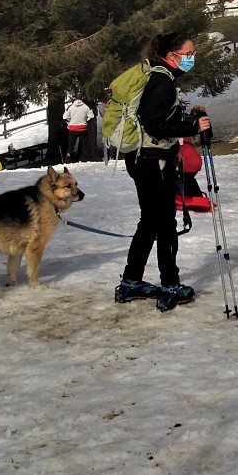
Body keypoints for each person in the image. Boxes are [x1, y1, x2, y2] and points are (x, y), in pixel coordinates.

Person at [116, 32, 210, 308]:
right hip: (151, 160)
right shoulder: (163, 82)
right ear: (172, 56)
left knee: (151, 221)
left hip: (146, 158)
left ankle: (132, 281)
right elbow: (154, 124)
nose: (193, 58)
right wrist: (191, 128)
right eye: (189, 54)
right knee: (164, 222)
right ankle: (170, 283)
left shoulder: (159, 77)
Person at [64, 96, 94, 163]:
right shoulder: (86, 107)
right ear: (82, 98)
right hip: (83, 128)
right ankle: (84, 158)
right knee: (84, 145)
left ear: (74, 99)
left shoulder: (70, 107)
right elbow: (91, 116)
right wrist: (86, 121)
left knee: (71, 145)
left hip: (73, 128)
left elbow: (65, 117)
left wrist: (69, 122)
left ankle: (68, 158)